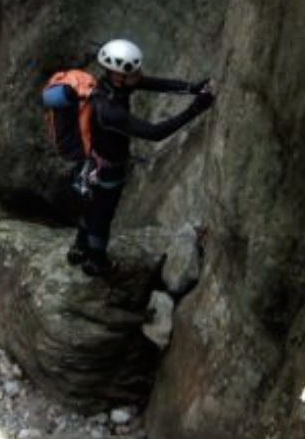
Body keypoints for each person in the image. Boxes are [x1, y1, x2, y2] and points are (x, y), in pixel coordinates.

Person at [67, 38, 215, 277]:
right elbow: (155, 133)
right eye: (134, 71)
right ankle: (95, 261)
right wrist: (194, 110)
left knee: (91, 205)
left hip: (93, 163)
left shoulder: (108, 86)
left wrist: (192, 88)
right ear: (118, 75)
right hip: (107, 170)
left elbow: (153, 83)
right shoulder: (110, 110)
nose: (140, 74)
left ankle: (79, 247)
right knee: (102, 214)